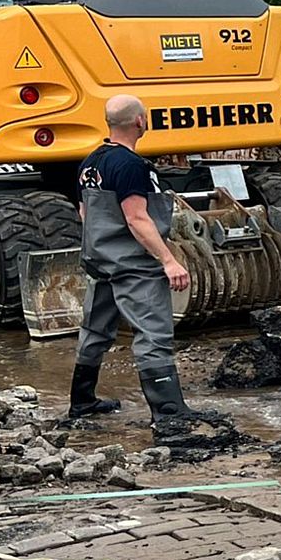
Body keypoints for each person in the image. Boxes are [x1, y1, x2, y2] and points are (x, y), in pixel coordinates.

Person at [70, 95, 192, 422]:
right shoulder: (130, 165)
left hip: (101, 260)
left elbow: (85, 213)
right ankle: (169, 414)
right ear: (139, 121)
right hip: (133, 266)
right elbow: (137, 218)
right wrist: (168, 260)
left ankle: (82, 403)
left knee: (95, 331)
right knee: (153, 333)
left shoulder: (90, 162)